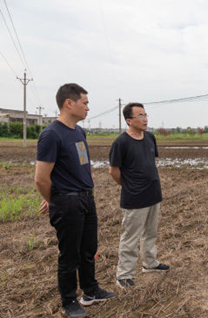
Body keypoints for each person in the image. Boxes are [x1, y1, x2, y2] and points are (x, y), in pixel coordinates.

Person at [35, 83, 115, 318]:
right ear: (69, 103)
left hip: (86, 199)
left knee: (88, 249)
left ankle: (90, 291)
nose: (88, 107)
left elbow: (82, 163)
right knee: (69, 254)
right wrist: (55, 200)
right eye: (85, 102)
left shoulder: (79, 132)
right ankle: (68, 301)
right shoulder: (51, 134)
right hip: (67, 202)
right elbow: (41, 179)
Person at [109, 103, 170, 288]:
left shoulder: (150, 137)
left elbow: (149, 163)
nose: (145, 119)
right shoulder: (121, 142)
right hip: (135, 198)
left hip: (153, 194)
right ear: (129, 120)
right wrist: (129, 186)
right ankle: (124, 275)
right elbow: (114, 171)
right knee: (130, 237)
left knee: (150, 233)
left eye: (145, 115)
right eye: (140, 116)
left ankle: (150, 264)